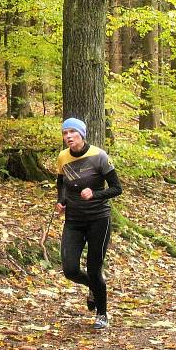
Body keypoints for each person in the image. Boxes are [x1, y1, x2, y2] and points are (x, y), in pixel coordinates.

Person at [56, 118, 122, 329]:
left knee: (94, 269)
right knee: (70, 269)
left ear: (82, 134)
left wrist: (94, 194)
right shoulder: (63, 157)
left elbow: (116, 188)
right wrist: (61, 201)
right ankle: (93, 287)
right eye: (65, 133)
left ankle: (102, 314)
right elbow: (61, 183)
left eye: (72, 132)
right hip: (74, 221)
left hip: (98, 220)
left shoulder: (99, 156)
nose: (68, 137)